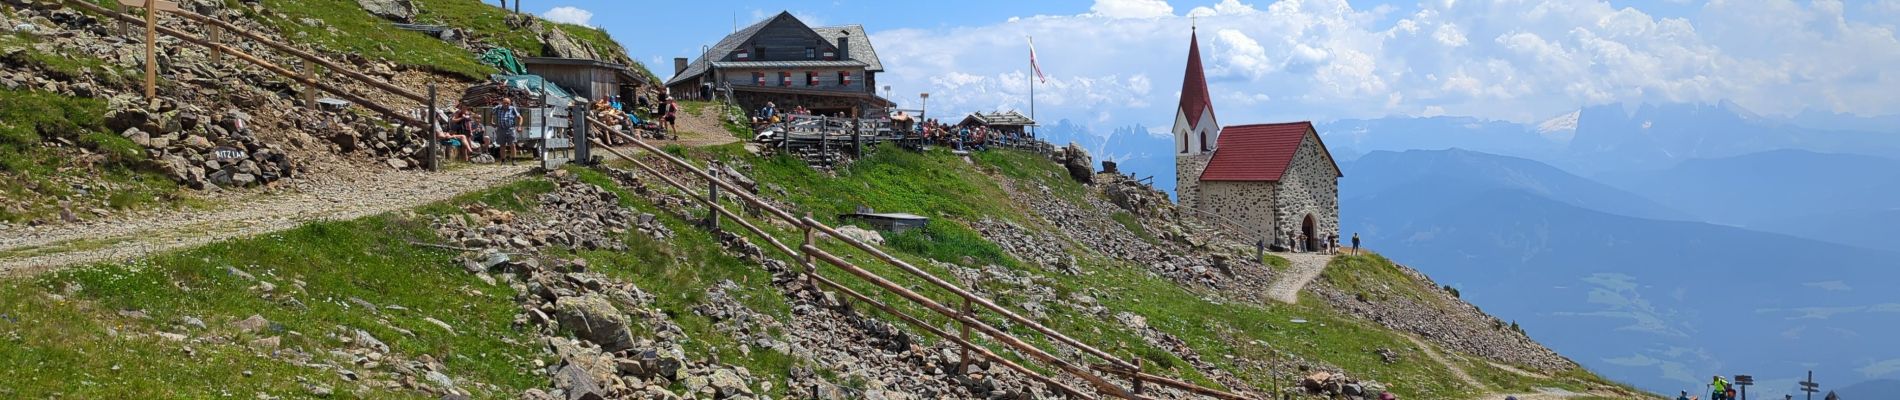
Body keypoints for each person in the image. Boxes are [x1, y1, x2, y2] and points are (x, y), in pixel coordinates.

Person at [493, 97, 522, 164]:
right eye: (504, 103)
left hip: (510, 129)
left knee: (512, 144)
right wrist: (491, 121)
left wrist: (519, 126)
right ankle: (503, 160)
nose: (506, 104)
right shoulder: (498, 108)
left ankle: (514, 160)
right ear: (502, 103)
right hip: (501, 129)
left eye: (507, 103)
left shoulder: (512, 109)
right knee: (502, 145)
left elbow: (520, 117)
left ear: (510, 103)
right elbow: (491, 112)